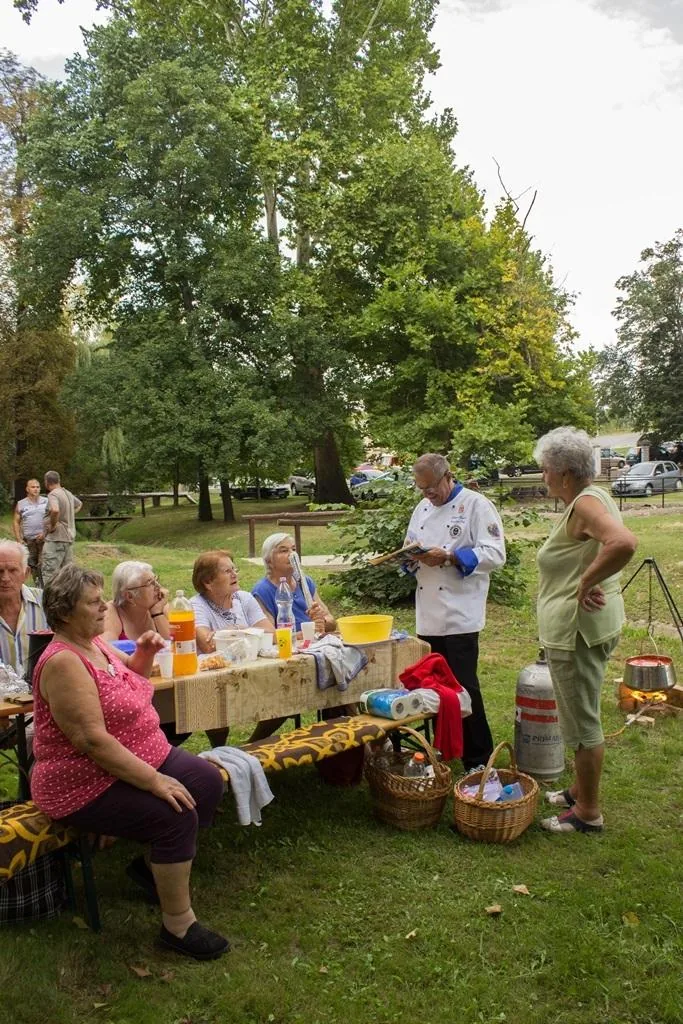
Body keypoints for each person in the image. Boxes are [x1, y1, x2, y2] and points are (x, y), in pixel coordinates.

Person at [30, 564, 228, 960]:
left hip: (140, 754)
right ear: (65, 613)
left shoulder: (95, 644)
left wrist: (144, 654)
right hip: (84, 780)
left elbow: (124, 685)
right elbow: (91, 740)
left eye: (101, 598)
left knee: (206, 783)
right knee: (174, 814)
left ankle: (152, 869)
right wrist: (154, 781)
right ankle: (178, 926)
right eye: (93, 602)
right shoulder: (64, 661)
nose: (104, 607)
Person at [534, 427, 637, 834]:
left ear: (564, 473)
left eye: (545, 469)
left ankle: (588, 813)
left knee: (582, 722)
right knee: (583, 709)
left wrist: (585, 582)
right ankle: (578, 791)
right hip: (592, 627)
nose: (542, 476)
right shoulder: (594, 497)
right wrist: (590, 578)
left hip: (576, 632)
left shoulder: (585, 504)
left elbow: (623, 543)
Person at [406, 453, 506, 771]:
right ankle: (443, 749)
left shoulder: (476, 505)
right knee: (434, 686)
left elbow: (495, 553)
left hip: (461, 611)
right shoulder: (422, 509)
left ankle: (478, 758)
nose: (427, 494)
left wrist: (449, 557)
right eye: (421, 488)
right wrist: (408, 558)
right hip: (428, 613)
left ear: (448, 476)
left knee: (463, 687)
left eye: (431, 487)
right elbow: (410, 545)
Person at [190, 550, 273, 654]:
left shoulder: (244, 598)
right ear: (208, 582)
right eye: (227, 571)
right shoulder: (196, 605)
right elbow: (208, 645)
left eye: (234, 569)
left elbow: (272, 635)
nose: (234, 575)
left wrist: (238, 630)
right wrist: (252, 634)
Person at [252, 533, 335, 635]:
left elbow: (331, 622)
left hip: (315, 640)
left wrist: (322, 621)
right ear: (269, 561)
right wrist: (305, 633)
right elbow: (269, 635)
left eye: (293, 549)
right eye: (284, 551)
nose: (292, 554)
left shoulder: (305, 582)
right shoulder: (262, 591)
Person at [0, 540, 48, 676]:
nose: (5, 578)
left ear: (26, 573)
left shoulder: (46, 603)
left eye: (13, 570)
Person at [102, 561, 171, 644]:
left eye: (156, 580)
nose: (158, 587)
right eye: (150, 583)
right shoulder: (110, 613)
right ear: (129, 596)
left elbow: (178, 644)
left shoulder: (161, 607)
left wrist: (157, 613)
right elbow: (107, 648)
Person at [42, 471, 82, 585]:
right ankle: (68, 595)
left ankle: (48, 595)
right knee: (67, 573)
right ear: (58, 480)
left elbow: (55, 510)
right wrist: (69, 515)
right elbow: (79, 504)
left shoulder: (53, 494)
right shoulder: (68, 493)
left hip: (56, 539)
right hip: (68, 538)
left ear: (47, 482)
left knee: (50, 572)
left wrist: (53, 525)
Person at [13, 479, 49, 587]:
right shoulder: (21, 504)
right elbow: (16, 521)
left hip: (44, 538)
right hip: (29, 539)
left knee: (44, 563)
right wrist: (18, 538)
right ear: (27, 489)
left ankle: (46, 586)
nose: (36, 489)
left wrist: (45, 533)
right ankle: (38, 585)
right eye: (33, 487)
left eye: (38, 487)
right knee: (32, 564)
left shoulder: (46, 501)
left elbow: (53, 518)